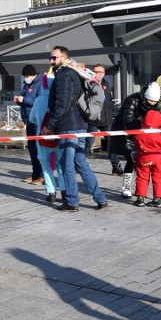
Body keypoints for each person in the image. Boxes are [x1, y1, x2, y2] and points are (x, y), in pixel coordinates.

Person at [41, 46, 108, 212]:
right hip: (80, 124)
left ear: (63, 58)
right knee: (81, 162)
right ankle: (100, 197)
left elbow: (62, 104)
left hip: (68, 126)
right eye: (51, 58)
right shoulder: (77, 72)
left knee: (66, 164)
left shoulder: (64, 74)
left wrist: (49, 126)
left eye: (54, 58)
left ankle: (72, 201)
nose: (51, 61)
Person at [109, 82, 161, 198]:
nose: (152, 103)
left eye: (155, 101)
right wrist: (144, 124)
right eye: (150, 100)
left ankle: (141, 189)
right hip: (124, 131)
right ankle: (126, 187)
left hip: (140, 133)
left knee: (140, 161)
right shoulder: (133, 100)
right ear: (145, 96)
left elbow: (155, 117)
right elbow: (127, 120)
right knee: (132, 159)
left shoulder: (155, 104)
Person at [29, 71, 65, 202]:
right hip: (60, 137)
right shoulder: (61, 101)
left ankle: (51, 193)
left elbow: (32, 118)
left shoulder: (39, 100)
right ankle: (65, 191)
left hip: (43, 138)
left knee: (46, 165)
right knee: (61, 165)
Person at [85, 65, 122, 175]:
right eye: (95, 72)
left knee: (111, 143)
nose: (97, 74)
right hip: (93, 119)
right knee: (88, 143)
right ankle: (80, 163)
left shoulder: (106, 83)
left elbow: (109, 99)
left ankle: (115, 166)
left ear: (104, 73)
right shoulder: (89, 83)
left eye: (100, 72)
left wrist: (112, 111)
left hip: (106, 119)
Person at [13, 65, 43, 184]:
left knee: (39, 149)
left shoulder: (40, 84)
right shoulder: (27, 84)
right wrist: (19, 101)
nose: (26, 78)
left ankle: (42, 176)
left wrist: (24, 100)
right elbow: (25, 100)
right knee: (32, 149)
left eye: (27, 76)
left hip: (37, 121)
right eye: (24, 77)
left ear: (34, 75)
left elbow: (40, 101)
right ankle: (35, 174)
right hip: (29, 120)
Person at [133, 109, 161, 208]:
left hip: (143, 157)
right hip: (157, 157)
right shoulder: (157, 133)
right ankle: (157, 198)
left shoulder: (140, 132)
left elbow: (136, 142)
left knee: (142, 177)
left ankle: (140, 198)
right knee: (158, 178)